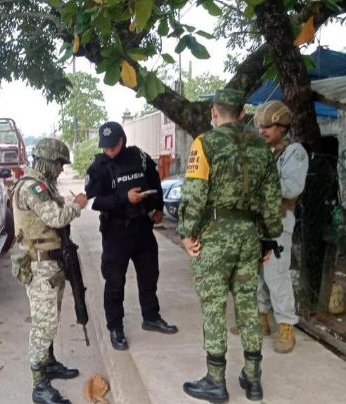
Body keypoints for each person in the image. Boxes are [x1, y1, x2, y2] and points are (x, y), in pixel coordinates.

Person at [178, 88, 283, 402]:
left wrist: (186, 232)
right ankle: (253, 380)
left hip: (215, 237)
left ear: (214, 112)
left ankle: (215, 380)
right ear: (242, 114)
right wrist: (268, 238)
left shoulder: (205, 143)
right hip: (250, 236)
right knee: (248, 306)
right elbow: (271, 199)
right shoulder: (263, 148)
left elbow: (195, 194)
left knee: (214, 307)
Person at [85, 121, 178, 352]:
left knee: (149, 275)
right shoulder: (99, 166)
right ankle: (115, 327)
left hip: (142, 228)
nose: (109, 151)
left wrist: (157, 208)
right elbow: (91, 202)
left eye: (113, 146)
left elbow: (155, 182)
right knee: (115, 282)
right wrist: (124, 198)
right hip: (116, 232)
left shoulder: (139, 157)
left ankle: (151, 317)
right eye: (105, 147)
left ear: (122, 140)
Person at [12, 137, 88, 404]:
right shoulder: (31, 187)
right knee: (43, 323)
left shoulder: (46, 185)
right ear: (45, 161)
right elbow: (56, 217)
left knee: (51, 317)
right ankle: (39, 383)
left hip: (52, 262)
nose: (60, 169)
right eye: (58, 163)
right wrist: (78, 204)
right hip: (39, 264)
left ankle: (50, 362)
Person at [254, 100, 309, 353]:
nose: (262, 131)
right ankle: (262, 320)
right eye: (260, 127)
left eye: (268, 126)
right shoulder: (264, 151)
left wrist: (259, 185)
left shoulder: (293, 152)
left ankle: (287, 326)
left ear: (282, 126)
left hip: (278, 223)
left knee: (276, 275)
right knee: (257, 275)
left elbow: (292, 188)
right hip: (258, 222)